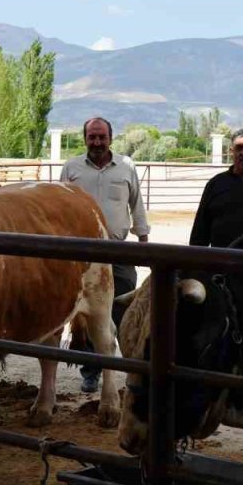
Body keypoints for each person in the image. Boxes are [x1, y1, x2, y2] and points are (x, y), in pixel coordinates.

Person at [60, 116, 149, 393]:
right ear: (84, 138)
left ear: (111, 138)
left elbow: (136, 203)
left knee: (123, 310)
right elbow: (59, 205)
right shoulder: (72, 168)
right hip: (82, 254)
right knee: (86, 314)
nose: (97, 142)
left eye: (101, 137)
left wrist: (143, 240)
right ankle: (91, 371)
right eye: (92, 137)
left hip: (118, 250)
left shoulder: (126, 166)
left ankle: (134, 373)